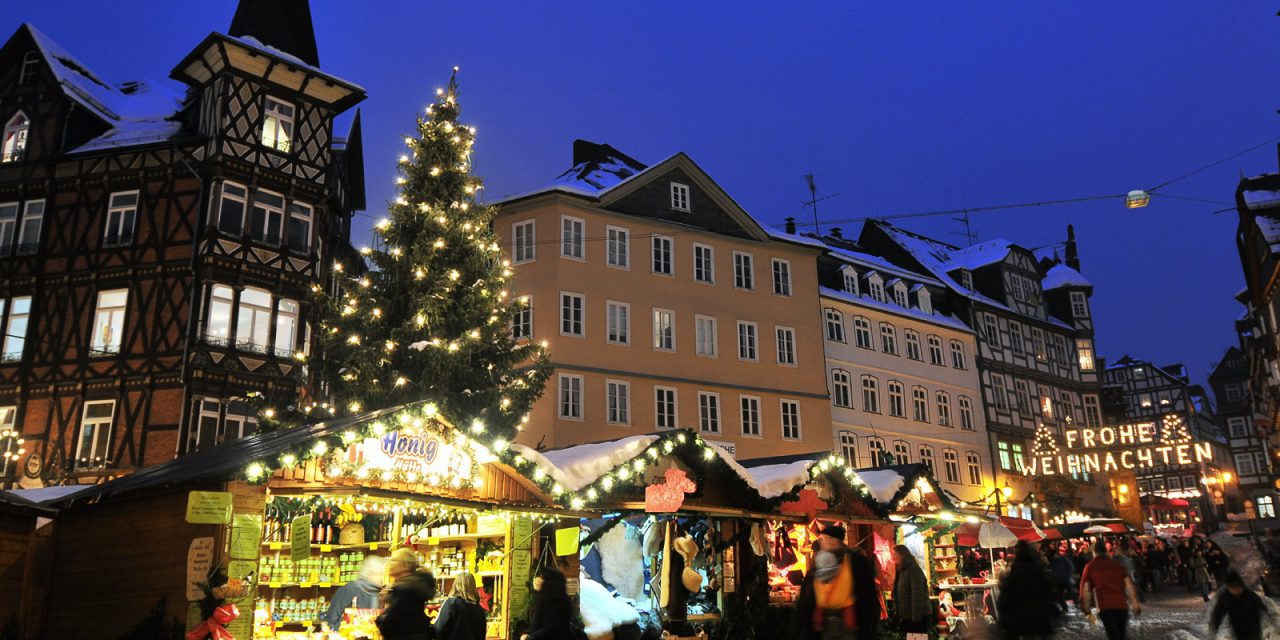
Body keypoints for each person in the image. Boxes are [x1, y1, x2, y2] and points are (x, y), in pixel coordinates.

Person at [997, 542, 1059, 639]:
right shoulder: (1037, 567)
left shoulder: (1015, 569)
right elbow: (1049, 589)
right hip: (1038, 612)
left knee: (1027, 636)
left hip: (1021, 614)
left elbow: (1007, 593)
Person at [1080, 541, 1140, 640]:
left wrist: (1086, 609)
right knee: (1121, 634)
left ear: (1094, 552)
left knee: (1113, 634)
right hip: (1121, 604)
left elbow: (1086, 589)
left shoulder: (1090, 567)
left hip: (1105, 605)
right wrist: (1135, 603)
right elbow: (1128, 585)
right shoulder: (1117, 565)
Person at [377, 548, 438, 640]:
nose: (390, 564)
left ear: (405, 566)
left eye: (394, 561)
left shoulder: (405, 589)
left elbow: (389, 624)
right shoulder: (413, 585)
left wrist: (379, 620)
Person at [1209, 570, 1280, 640]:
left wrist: (1275, 624)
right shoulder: (1226, 597)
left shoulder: (1250, 595)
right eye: (1232, 588)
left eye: (1237, 587)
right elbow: (1218, 614)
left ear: (1241, 586)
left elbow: (1265, 609)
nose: (1235, 590)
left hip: (1254, 629)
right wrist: (1213, 631)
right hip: (1238, 629)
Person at [326, 555, 385, 631]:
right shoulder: (350, 589)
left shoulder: (382, 592)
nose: (382, 578)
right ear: (370, 574)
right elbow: (332, 617)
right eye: (380, 574)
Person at [521, 567, 573, 640]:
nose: (537, 580)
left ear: (548, 582)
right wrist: (528, 633)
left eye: (541, 577)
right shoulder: (543, 597)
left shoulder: (557, 601)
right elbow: (536, 621)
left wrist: (531, 637)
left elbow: (552, 629)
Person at [436, 572, 487, 640]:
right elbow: (482, 634)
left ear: (455, 585)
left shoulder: (451, 604)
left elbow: (439, 629)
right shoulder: (480, 610)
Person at [892, 545, 931, 635]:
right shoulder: (901, 571)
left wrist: (916, 619)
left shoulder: (913, 569)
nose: (893, 556)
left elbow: (917, 595)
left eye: (895, 554)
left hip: (917, 617)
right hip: (908, 616)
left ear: (902, 555)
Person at [1047, 544, 1074, 613]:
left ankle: (1076, 604)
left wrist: (1068, 575)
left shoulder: (1062, 558)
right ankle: (1065, 608)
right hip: (1059, 580)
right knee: (1061, 596)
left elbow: (1070, 567)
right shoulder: (1053, 561)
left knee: (1070, 593)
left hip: (1065, 579)